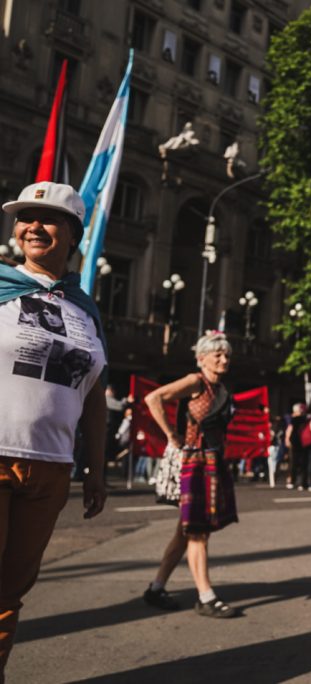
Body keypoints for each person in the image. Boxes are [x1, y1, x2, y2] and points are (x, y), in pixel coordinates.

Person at [0, 182, 108, 675]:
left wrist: (97, 470)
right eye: (25, 217)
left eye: (47, 218)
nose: (33, 226)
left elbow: (94, 396)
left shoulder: (85, 309)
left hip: (52, 469)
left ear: (73, 234)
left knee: (10, 593)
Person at [142, 331, 239, 618]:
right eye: (217, 354)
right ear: (202, 358)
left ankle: (156, 588)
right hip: (195, 463)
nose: (224, 359)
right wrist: (171, 435)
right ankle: (206, 597)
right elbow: (153, 398)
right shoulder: (196, 381)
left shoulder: (219, 387)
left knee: (185, 532)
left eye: (227, 355)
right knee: (198, 532)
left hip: (211, 461)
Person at [284, 403, 311, 490]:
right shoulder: (306, 419)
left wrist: (287, 439)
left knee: (293, 463)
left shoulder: (294, 419)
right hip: (303, 442)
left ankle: (292, 481)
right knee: (303, 463)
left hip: (295, 442)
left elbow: (289, 430)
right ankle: (302, 483)